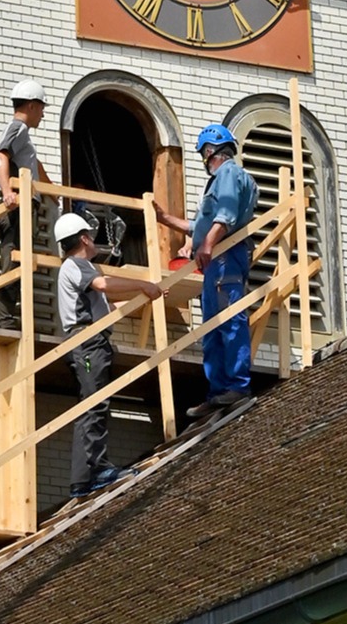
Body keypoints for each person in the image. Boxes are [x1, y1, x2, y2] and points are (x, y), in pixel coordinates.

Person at [52, 211, 168, 496]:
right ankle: (96, 469)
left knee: (92, 405)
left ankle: (84, 477)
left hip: (88, 341)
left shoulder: (76, 270)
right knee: (95, 405)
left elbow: (105, 299)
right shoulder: (77, 265)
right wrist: (142, 284)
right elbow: (104, 286)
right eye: (90, 236)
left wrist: (143, 295)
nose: (94, 241)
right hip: (88, 342)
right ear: (83, 238)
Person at [153, 123, 259, 420]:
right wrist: (166, 219)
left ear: (211, 151)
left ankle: (236, 386)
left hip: (225, 254)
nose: (204, 161)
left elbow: (225, 216)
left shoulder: (228, 174)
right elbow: (198, 226)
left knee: (228, 319)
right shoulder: (221, 180)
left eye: (204, 155)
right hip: (215, 258)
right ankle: (218, 392)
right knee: (213, 325)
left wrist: (208, 245)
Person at [0, 81, 51, 326]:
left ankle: (6, 316)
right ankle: (3, 317)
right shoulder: (19, 128)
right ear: (31, 105)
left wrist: (53, 193)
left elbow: (34, 167)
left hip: (25, 205)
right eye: (41, 108)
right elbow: (1, 156)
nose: (43, 113)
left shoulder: (23, 136)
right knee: (14, 259)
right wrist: (7, 191)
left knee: (19, 258)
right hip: (18, 207)